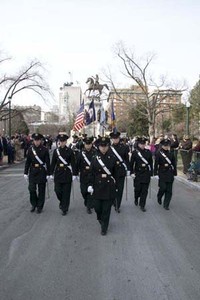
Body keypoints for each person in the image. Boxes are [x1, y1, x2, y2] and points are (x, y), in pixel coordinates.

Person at [87, 137, 118, 235]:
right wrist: (90, 185)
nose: (103, 148)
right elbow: (91, 173)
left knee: (106, 209)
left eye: (105, 146)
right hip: (97, 187)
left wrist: (116, 185)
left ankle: (104, 227)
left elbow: (116, 173)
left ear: (108, 146)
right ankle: (100, 219)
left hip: (108, 187)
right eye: (101, 146)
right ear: (98, 147)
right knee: (97, 208)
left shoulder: (113, 158)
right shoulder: (95, 158)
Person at [50, 133, 76, 215]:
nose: (62, 143)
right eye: (60, 141)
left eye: (63, 141)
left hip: (67, 174)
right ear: (58, 142)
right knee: (57, 191)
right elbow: (53, 163)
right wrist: (50, 173)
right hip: (58, 173)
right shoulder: (56, 151)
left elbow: (73, 163)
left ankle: (65, 208)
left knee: (66, 192)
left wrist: (75, 174)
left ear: (66, 141)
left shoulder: (70, 151)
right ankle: (62, 202)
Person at [24, 133, 50, 213]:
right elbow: (27, 162)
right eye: (35, 140)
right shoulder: (30, 150)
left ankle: (40, 206)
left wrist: (49, 174)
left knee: (41, 190)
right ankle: (34, 204)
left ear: (40, 140)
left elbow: (47, 162)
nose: (36, 142)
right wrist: (25, 172)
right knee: (31, 189)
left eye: (38, 140)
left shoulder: (45, 150)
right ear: (33, 141)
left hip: (41, 171)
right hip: (33, 171)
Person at [130, 137, 153, 212]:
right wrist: (131, 172)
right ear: (138, 144)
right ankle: (136, 198)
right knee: (137, 189)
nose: (142, 145)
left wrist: (151, 173)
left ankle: (142, 205)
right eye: (141, 144)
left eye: (144, 144)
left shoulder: (148, 152)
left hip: (146, 173)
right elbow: (132, 163)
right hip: (138, 174)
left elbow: (150, 163)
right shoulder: (135, 152)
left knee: (144, 190)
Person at [109, 131, 130, 213]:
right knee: (112, 188)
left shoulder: (124, 147)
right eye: (114, 138)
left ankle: (118, 205)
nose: (115, 140)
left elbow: (127, 159)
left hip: (121, 170)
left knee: (120, 189)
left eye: (116, 138)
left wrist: (128, 169)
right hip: (111, 171)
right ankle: (114, 201)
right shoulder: (109, 148)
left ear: (119, 138)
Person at [154, 138, 177, 210]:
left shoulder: (171, 153)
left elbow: (174, 163)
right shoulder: (158, 153)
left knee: (169, 190)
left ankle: (166, 204)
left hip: (170, 173)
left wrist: (175, 172)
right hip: (162, 173)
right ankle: (159, 196)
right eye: (165, 145)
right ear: (162, 145)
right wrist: (155, 173)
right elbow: (156, 164)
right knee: (163, 188)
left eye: (167, 145)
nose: (166, 147)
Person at [76, 136, 97, 214]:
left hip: (92, 175)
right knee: (83, 191)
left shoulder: (95, 152)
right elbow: (77, 164)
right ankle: (87, 201)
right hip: (83, 175)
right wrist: (75, 174)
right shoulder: (80, 153)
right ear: (84, 144)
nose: (88, 145)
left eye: (89, 144)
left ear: (91, 144)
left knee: (90, 192)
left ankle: (89, 205)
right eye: (86, 144)